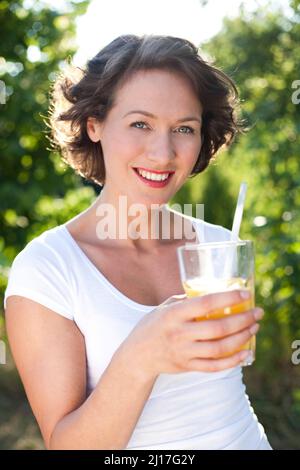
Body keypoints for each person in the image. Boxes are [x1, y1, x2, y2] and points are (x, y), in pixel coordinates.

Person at [4, 34, 272, 450]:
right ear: (94, 125)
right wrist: (141, 355)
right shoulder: (48, 269)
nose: (163, 153)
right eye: (140, 124)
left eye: (185, 128)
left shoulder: (219, 247)